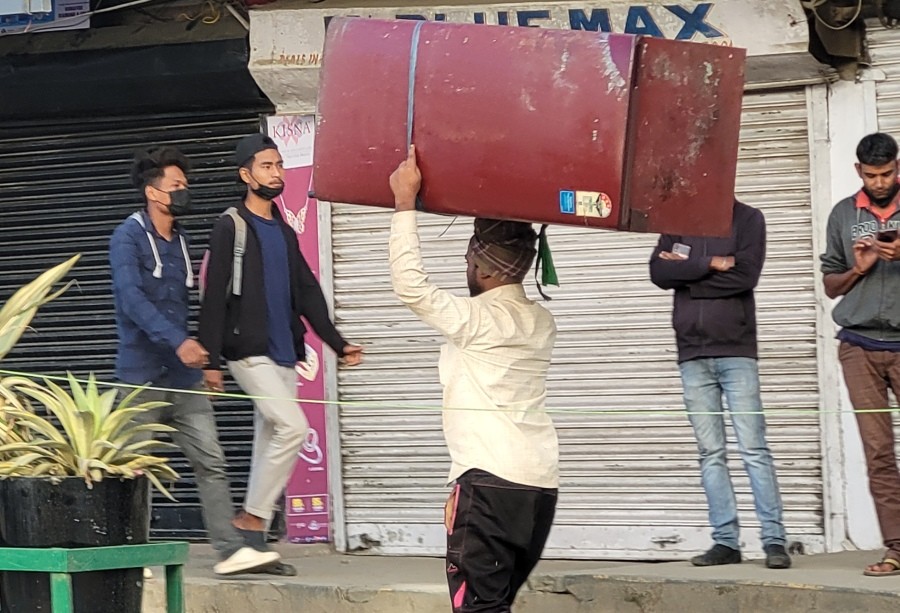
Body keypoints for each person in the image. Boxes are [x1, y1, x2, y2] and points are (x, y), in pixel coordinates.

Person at [388, 146, 559, 612]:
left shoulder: (476, 320)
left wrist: (405, 204)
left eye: (468, 259)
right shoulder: (540, 323)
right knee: (494, 605)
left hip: (487, 487)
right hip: (539, 488)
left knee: (478, 609)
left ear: (482, 267)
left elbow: (410, 286)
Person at [109, 146, 280, 575]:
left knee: (211, 460)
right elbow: (132, 300)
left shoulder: (182, 239)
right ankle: (129, 555)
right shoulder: (127, 237)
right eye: (176, 186)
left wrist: (206, 360)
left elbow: (191, 304)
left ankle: (228, 550)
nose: (185, 191)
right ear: (153, 192)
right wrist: (176, 340)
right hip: (142, 377)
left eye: (185, 184)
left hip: (183, 376)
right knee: (133, 468)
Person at [199, 134, 362, 572]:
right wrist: (212, 361)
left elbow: (308, 291)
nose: (276, 173)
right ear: (245, 175)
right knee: (292, 427)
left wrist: (337, 342)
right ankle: (252, 514)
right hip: (246, 350)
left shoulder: (284, 231)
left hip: (284, 350)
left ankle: (253, 542)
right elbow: (213, 297)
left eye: (279, 165)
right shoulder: (230, 225)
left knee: (270, 439)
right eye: (266, 166)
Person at [649, 198, 791, 570]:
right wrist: (711, 264)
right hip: (692, 354)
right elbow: (658, 274)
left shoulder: (748, 219)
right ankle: (725, 542)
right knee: (710, 454)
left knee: (754, 449)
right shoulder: (678, 221)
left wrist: (687, 275)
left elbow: (745, 276)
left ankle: (775, 541)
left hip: (736, 351)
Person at [820, 132, 900, 577]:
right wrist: (858, 269)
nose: (881, 181)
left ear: (897, 166)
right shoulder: (843, 215)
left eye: (887, 173)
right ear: (859, 172)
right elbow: (830, 285)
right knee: (878, 451)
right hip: (859, 348)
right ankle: (896, 549)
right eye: (872, 175)